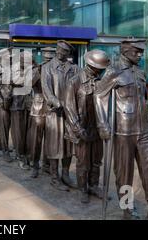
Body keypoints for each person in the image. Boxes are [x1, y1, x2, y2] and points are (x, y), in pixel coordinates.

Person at [95, 39, 148, 220]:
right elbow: (99, 96)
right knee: (124, 173)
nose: (140, 55)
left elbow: (145, 99)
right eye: (136, 52)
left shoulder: (140, 72)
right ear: (126, 51)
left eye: (141, 52)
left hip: (144, 129)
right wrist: (103, 124)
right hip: (123, 130)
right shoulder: (114, 71)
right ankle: (127, 209)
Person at [64, 49, 110, 203]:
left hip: (97, 128)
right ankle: (83, 188)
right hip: (81, 129)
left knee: (96, 160)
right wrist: (78, 129)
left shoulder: (101, 81)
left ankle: (94, 186)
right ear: (91, 66)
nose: (101, 71)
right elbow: (69, 107)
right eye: (100, 68)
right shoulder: (74, 81)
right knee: (83, 162)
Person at [41, 40, 79, 191]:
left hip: (70, 112)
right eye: (59, 50)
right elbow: (46, 89)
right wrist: (56, 102)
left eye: (64, 52)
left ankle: (65, 174)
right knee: (54, 144)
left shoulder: (74, 68)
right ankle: (54, 177)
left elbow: (78, 87)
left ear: (68, 54)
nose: (60, 53)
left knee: (69, 144)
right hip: (54, 113)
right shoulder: (47, 68)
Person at [26, 47, 55, 178]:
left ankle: (47, 165)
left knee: (50, 139)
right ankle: (34, 165)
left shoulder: (56, 70)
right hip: (38, 106)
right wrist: (37, 72)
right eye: (46, 56)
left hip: (52, 108)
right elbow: (28, 85)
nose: (48, 58)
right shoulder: (37, 69)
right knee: (36, 139)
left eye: (51, 57)